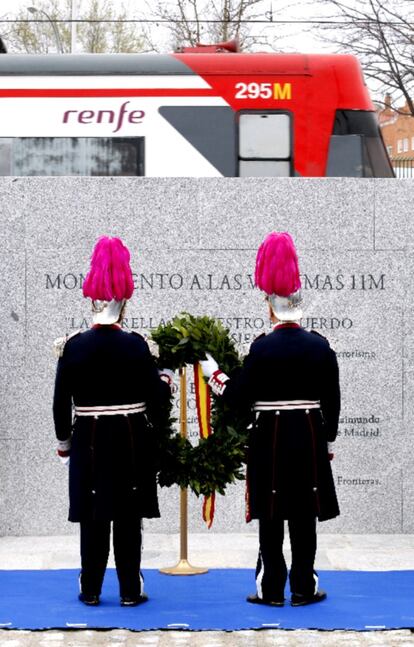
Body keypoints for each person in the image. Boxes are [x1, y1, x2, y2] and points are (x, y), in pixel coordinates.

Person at [200, 232, 340, 607]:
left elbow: (239, 398)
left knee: (272, 514)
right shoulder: (321, 345)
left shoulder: (262, 347)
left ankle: (272, 589)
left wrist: (215, 375)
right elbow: (333, 402)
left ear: (271, 305)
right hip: (309, 434)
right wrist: (327, 442)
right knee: (304, 515)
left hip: (271, 437)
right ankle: (304, 588)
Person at [53, 236, 172, 607]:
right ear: (124, 301)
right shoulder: (137, 345)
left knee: (93, 515)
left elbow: (60, 402)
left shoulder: (73, 345)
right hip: (129, 436)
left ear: (92, 299)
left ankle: (90, 589)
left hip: (87, 435)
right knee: (127, 514)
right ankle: (130, 590)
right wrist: (163, 384)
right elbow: (157, 402)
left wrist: (64, 443)